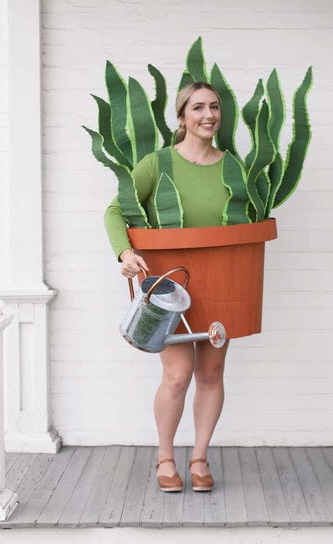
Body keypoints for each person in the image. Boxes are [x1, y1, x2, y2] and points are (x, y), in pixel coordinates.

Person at [104, 82, 229, 493]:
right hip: (171, 288)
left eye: (214, 106)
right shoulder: (157, 164)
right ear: (181, 118)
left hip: (219, 283)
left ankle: (199, 459)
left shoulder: (234, 167)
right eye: (197, 108)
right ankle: (164, 457)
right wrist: (124, 253)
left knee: (211, 374)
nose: (208, 114)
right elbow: (115, 209)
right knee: (177, 375)